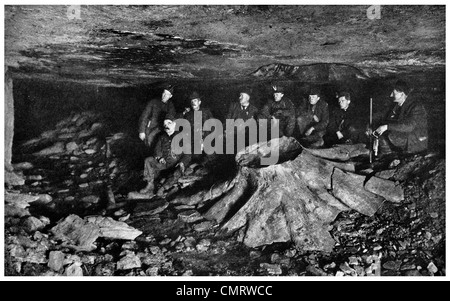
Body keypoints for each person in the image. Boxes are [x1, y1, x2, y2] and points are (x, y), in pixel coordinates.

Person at [131, 116, 190, 198]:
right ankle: (149, 184)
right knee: (148, 160)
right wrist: (159, 157)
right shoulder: (161, 137)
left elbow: (188, 154)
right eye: (165, 124)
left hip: (176, 164)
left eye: (169, 123)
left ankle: (162, 188)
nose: (167, 126)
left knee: (177, 173)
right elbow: (157, 149)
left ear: (174, 124)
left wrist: (182, 162)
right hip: (164, 164)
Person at [372, 80, 428, 157]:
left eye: (394, 93)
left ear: (402, 94)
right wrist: (374, 127)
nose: (391, 95)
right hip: (405, 136)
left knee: (388, 133)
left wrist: (386, 127)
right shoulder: (397, 105)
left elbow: (409, 126)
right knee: (380, 131)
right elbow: (387, 120)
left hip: (415, 140)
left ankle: (389, 155)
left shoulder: (416, 107)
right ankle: (386, 156)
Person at [138, 84, 176, 151]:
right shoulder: (153, 102)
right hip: (150, 129)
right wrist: (142, 131)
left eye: (167, 94)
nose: (164, 95)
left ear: (170, 96)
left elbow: (172, 118)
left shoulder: (171, 106)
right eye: (164, 93)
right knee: (148, 146)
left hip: (162, 130)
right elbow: (144, 116)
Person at [181, 91, 214, 160]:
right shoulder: (188, 115)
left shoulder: (206, 112)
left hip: (207, 140)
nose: (193, 103)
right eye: (192, 101)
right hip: (194, 142)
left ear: (199, 102)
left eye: (195, 101)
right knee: (196, 158)